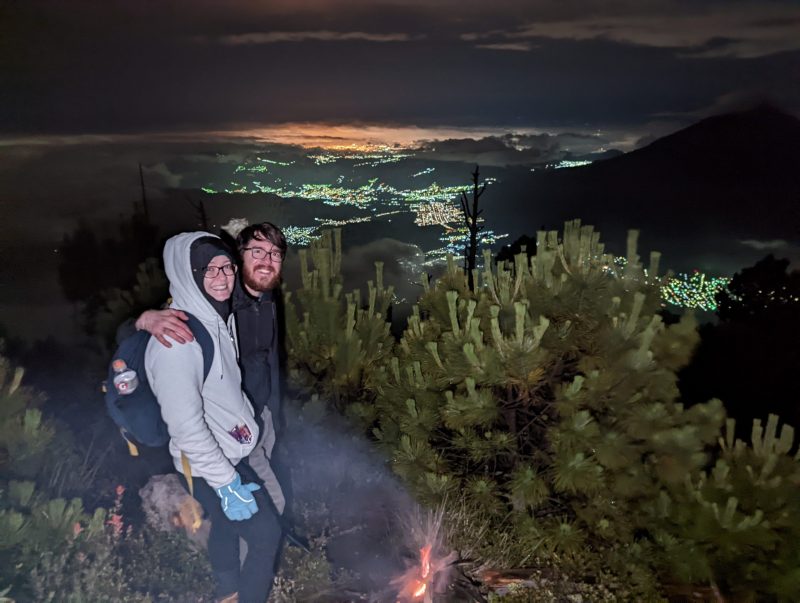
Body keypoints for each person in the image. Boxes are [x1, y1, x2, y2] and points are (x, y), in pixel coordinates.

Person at [145, 231, 282, 603]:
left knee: (225, 523)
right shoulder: (177, 340)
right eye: (209, 270)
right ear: (187, 274)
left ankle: (229, 594)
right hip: (209, 465)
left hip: (227, 452)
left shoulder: (213, 315)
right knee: (266, 535)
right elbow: (186, 427)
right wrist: (226, 484)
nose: (222, 278)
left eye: (226, 268)